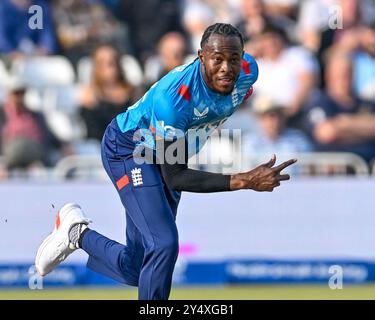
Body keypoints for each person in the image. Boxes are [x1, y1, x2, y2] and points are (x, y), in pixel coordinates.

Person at [35, 23, 297, 300]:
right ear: (200, 57)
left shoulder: (248, 72)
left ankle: (76, 233)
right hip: (129, 148)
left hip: (171, 151)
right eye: (217, 59)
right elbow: (176, 177)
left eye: (234, 59)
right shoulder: (174, 101)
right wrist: (244, 179)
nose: (226, 68)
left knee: (138, 268)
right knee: (164, 244)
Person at [79, 45, 137, 142]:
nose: (107, 68)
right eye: (101, 63)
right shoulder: (90, 97)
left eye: (111, 62)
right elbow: (92, 133)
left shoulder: (133, 93)